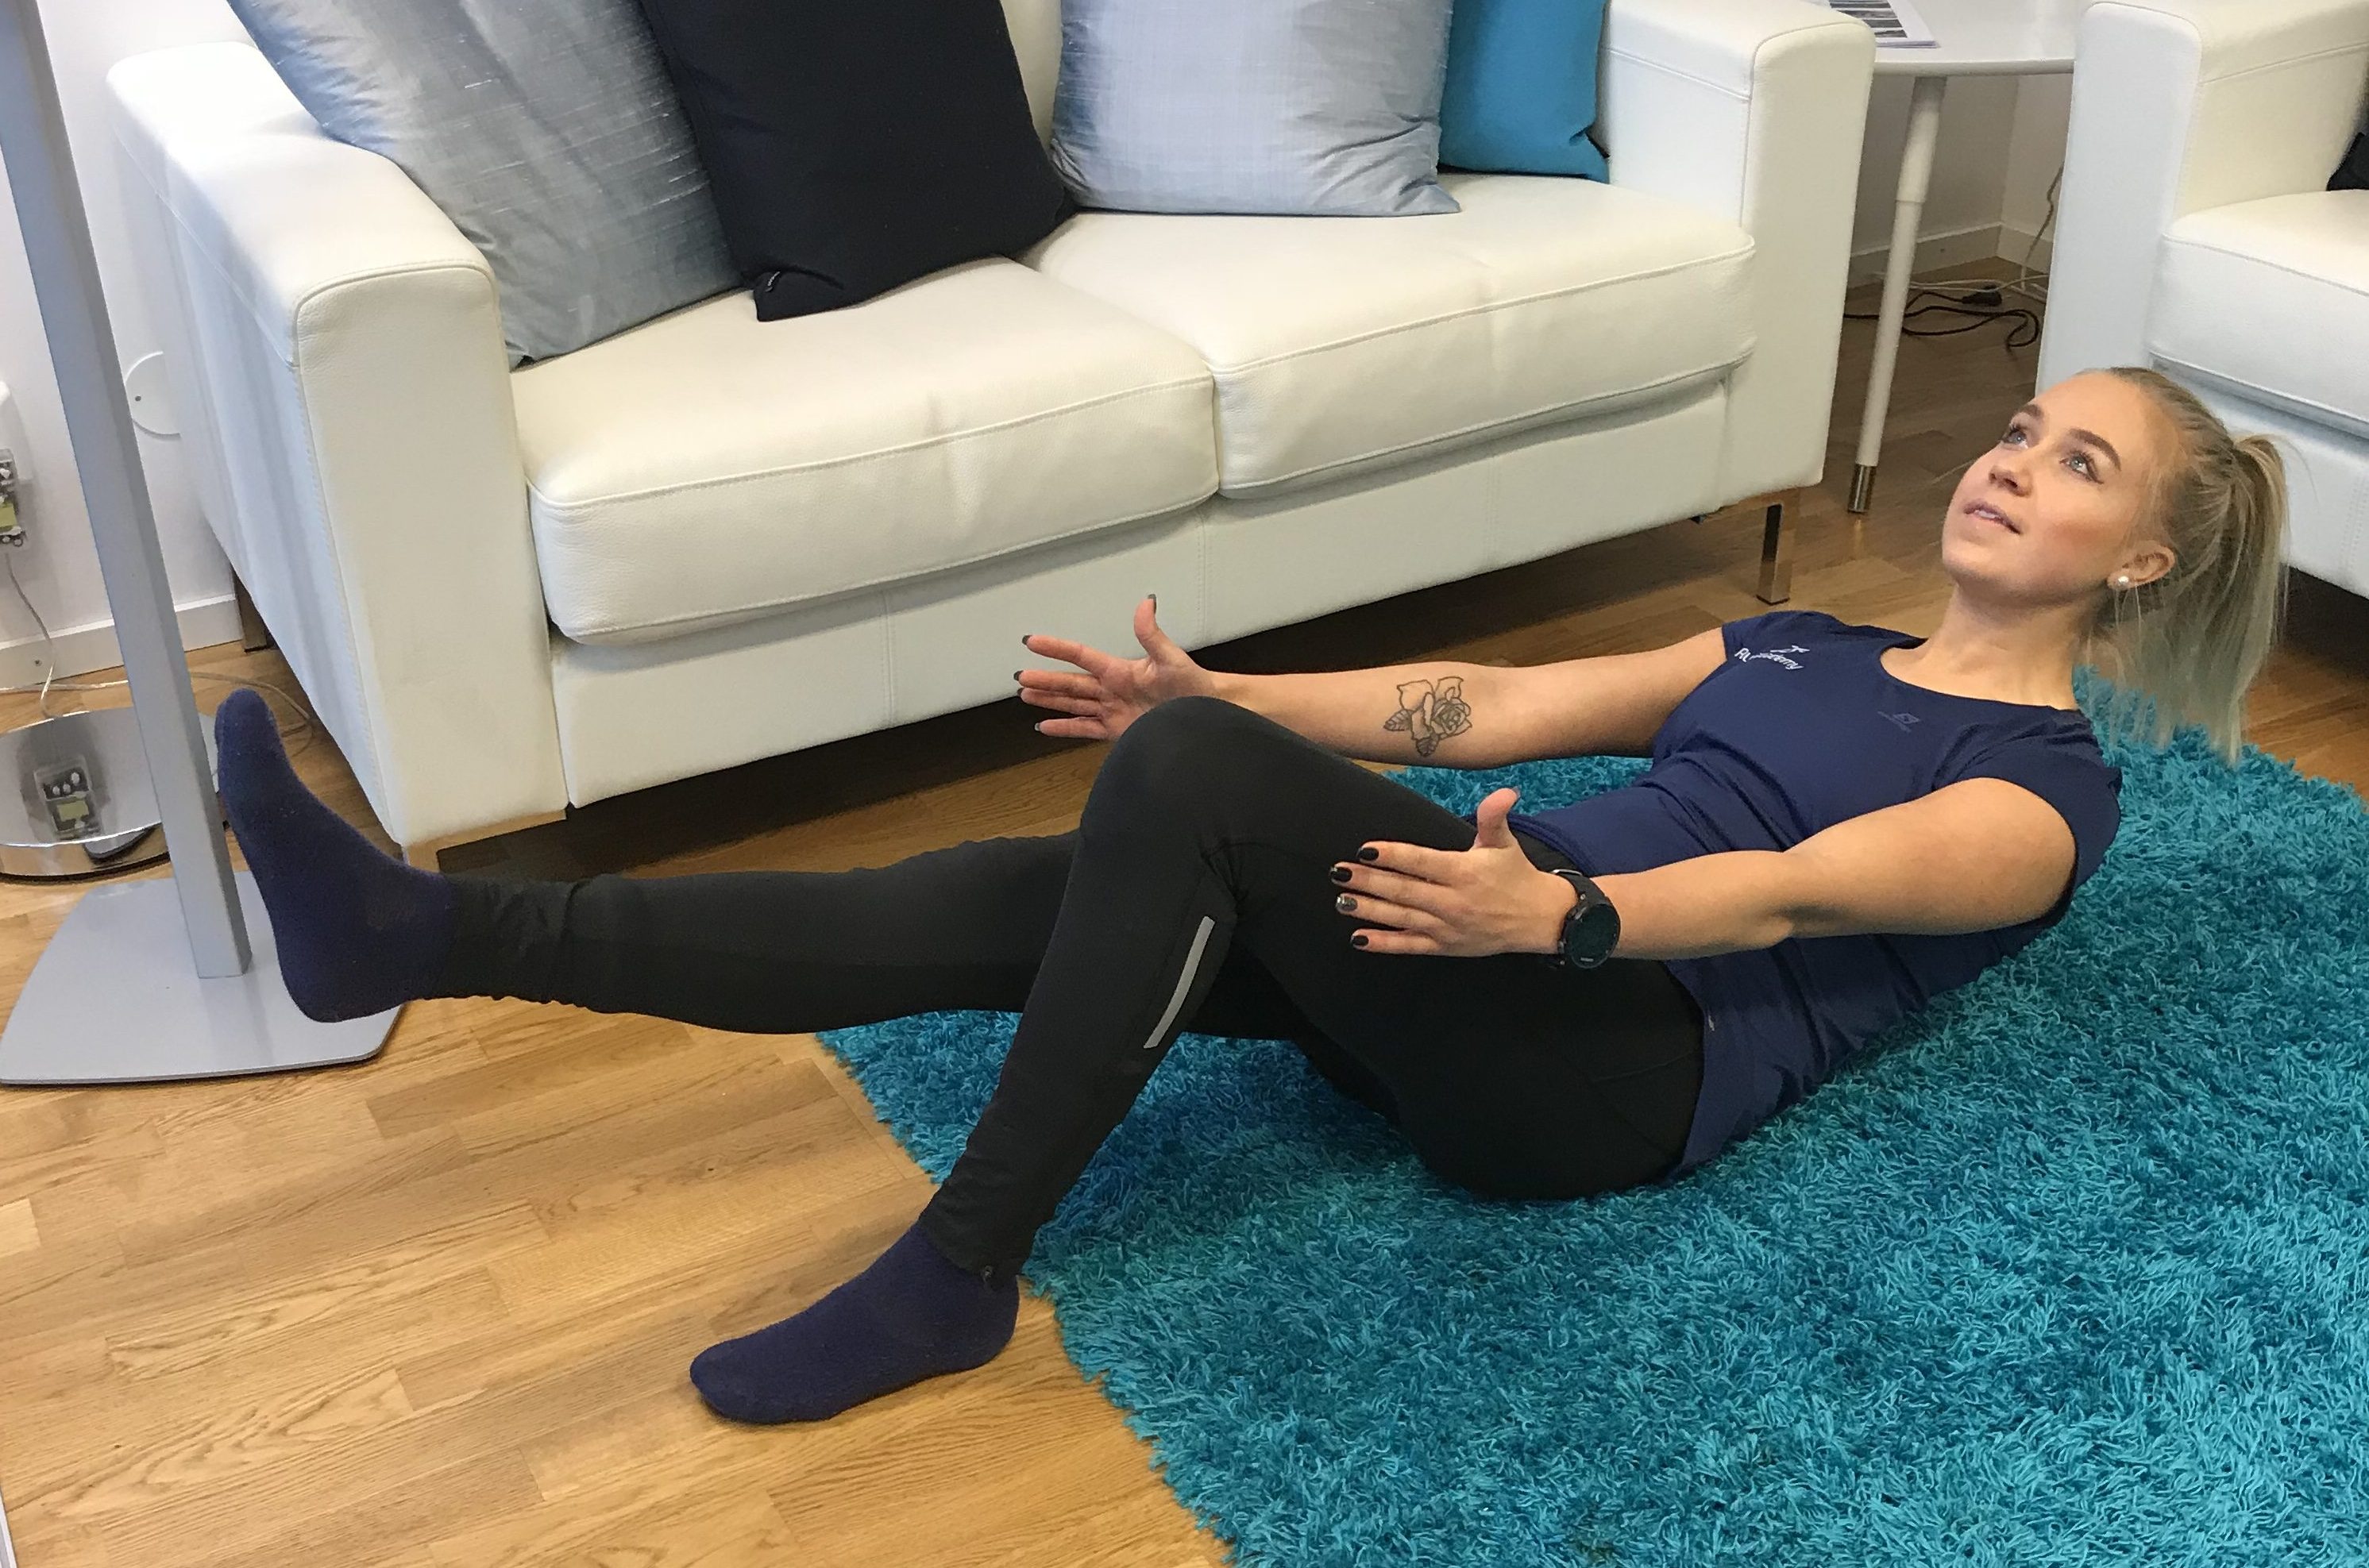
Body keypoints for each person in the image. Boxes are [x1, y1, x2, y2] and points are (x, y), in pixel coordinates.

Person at [210, 366, 2288, 1426]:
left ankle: (956, 1268)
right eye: (2021, 428)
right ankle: (443, 936)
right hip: (1487, 931)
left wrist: (1563, 923)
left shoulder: (2050, 792)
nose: (2010, 461)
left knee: (1182, 804)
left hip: (1606, 1066)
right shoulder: (1807, 641)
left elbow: (1801, 897)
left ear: (2140, 567)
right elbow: (1494, 705)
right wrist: (1221, 698)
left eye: (2076, 465)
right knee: (1029, 886)